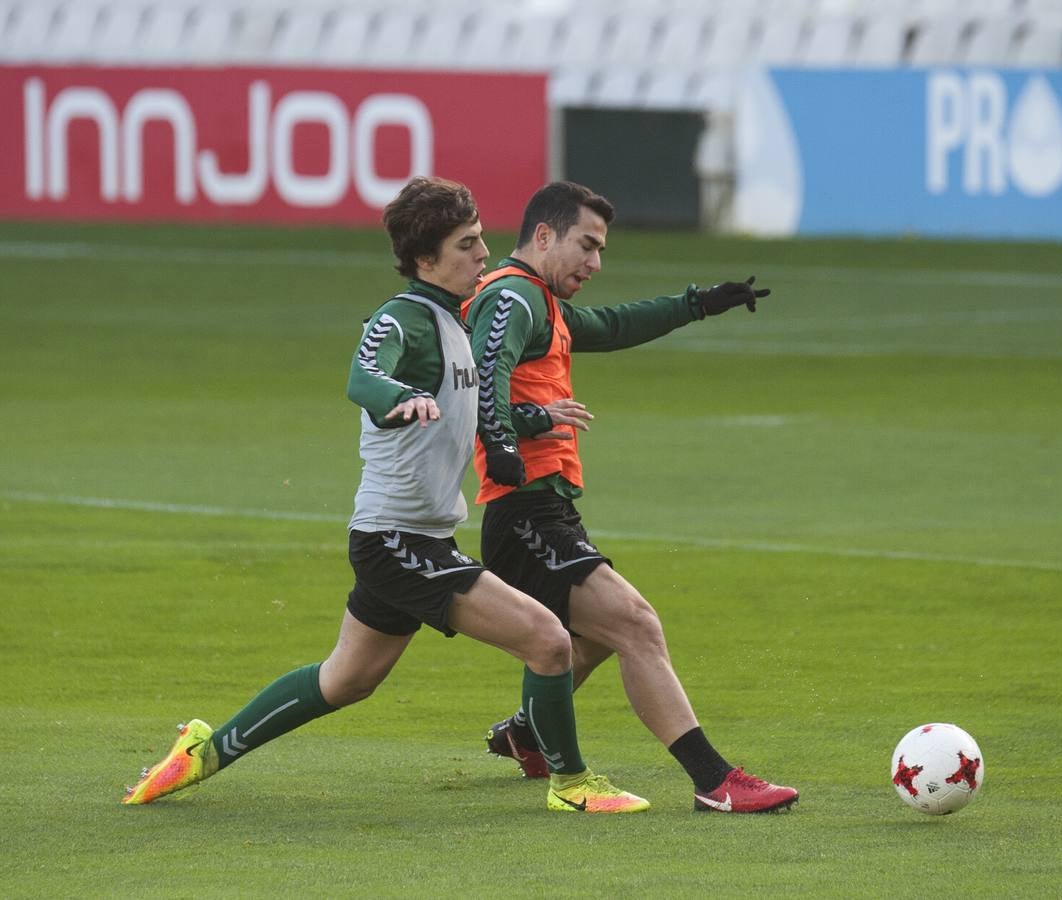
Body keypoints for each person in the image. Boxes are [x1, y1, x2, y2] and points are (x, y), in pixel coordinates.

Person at [121, 176, 647, 814]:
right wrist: (400, 397)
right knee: (549, 639)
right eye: (467, 244)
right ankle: (572, 785)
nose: (484, 253)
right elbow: (361, 375)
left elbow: (474, 409)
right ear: (426, 260)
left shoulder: (457, 321)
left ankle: (203, 752)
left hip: (410, 540)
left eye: (481, 238)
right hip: (397, 541)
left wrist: (535, 421)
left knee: (345, 680)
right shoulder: (405, 317)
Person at [462, 181, 798, 814]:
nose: (596, 263)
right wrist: (519, 431)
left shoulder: (540, 302)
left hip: (546, 508)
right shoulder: (511, 297)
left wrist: (698, 303)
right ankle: (714, 781)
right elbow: (483, 383)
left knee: (591, 639)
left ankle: (526, 735)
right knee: (637, 624)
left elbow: (612, 325)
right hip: (521, 509)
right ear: (543, 236)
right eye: (587, 246)